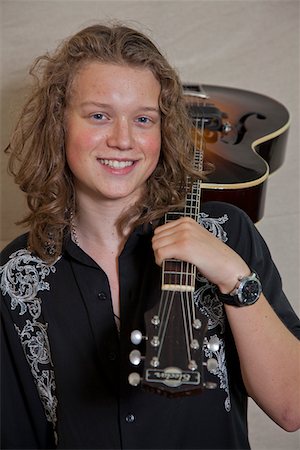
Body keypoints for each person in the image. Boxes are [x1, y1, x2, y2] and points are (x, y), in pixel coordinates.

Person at [1, 23, 299, 450]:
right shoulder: (14, 280)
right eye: (99, 115)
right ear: (59, 123)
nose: (123, 140)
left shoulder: (226, 234)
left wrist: (234, 277)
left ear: (164, 131)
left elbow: (292, 407)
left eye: (143, 119)